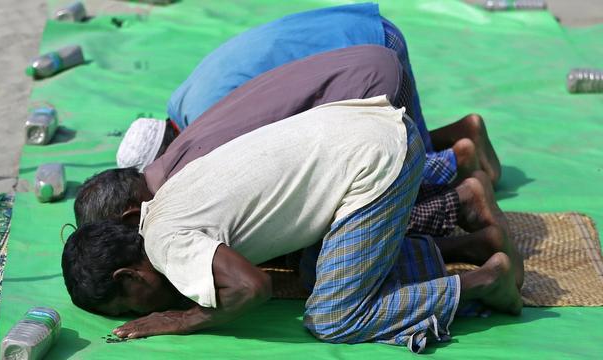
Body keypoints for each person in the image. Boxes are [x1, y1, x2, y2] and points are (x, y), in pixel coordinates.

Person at [62, 96, 522, 353]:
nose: (142, 316)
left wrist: (179, 319)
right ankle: (474, 246)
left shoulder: (163, 244)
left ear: (130, 275)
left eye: (131, 310)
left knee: (333, 316)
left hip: (379, 161)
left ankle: (485, 282)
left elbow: (252, 287)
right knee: (315, 273)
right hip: (366, 128)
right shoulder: (164, 203)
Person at [84, 46, 495, 242]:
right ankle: (451, 164)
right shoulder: (173, 156)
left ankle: (459, 200)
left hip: (370, 95)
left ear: (129, 215)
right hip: (368, 69)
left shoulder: (180, 185)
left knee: (334, 228)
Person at [165, 3, 501, 185]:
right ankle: (463, 133)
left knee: (404, 166)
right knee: (412, 137)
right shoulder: (181, 102)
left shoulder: (205, 122)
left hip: (366, 59)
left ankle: (457, 160)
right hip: (367, 31)